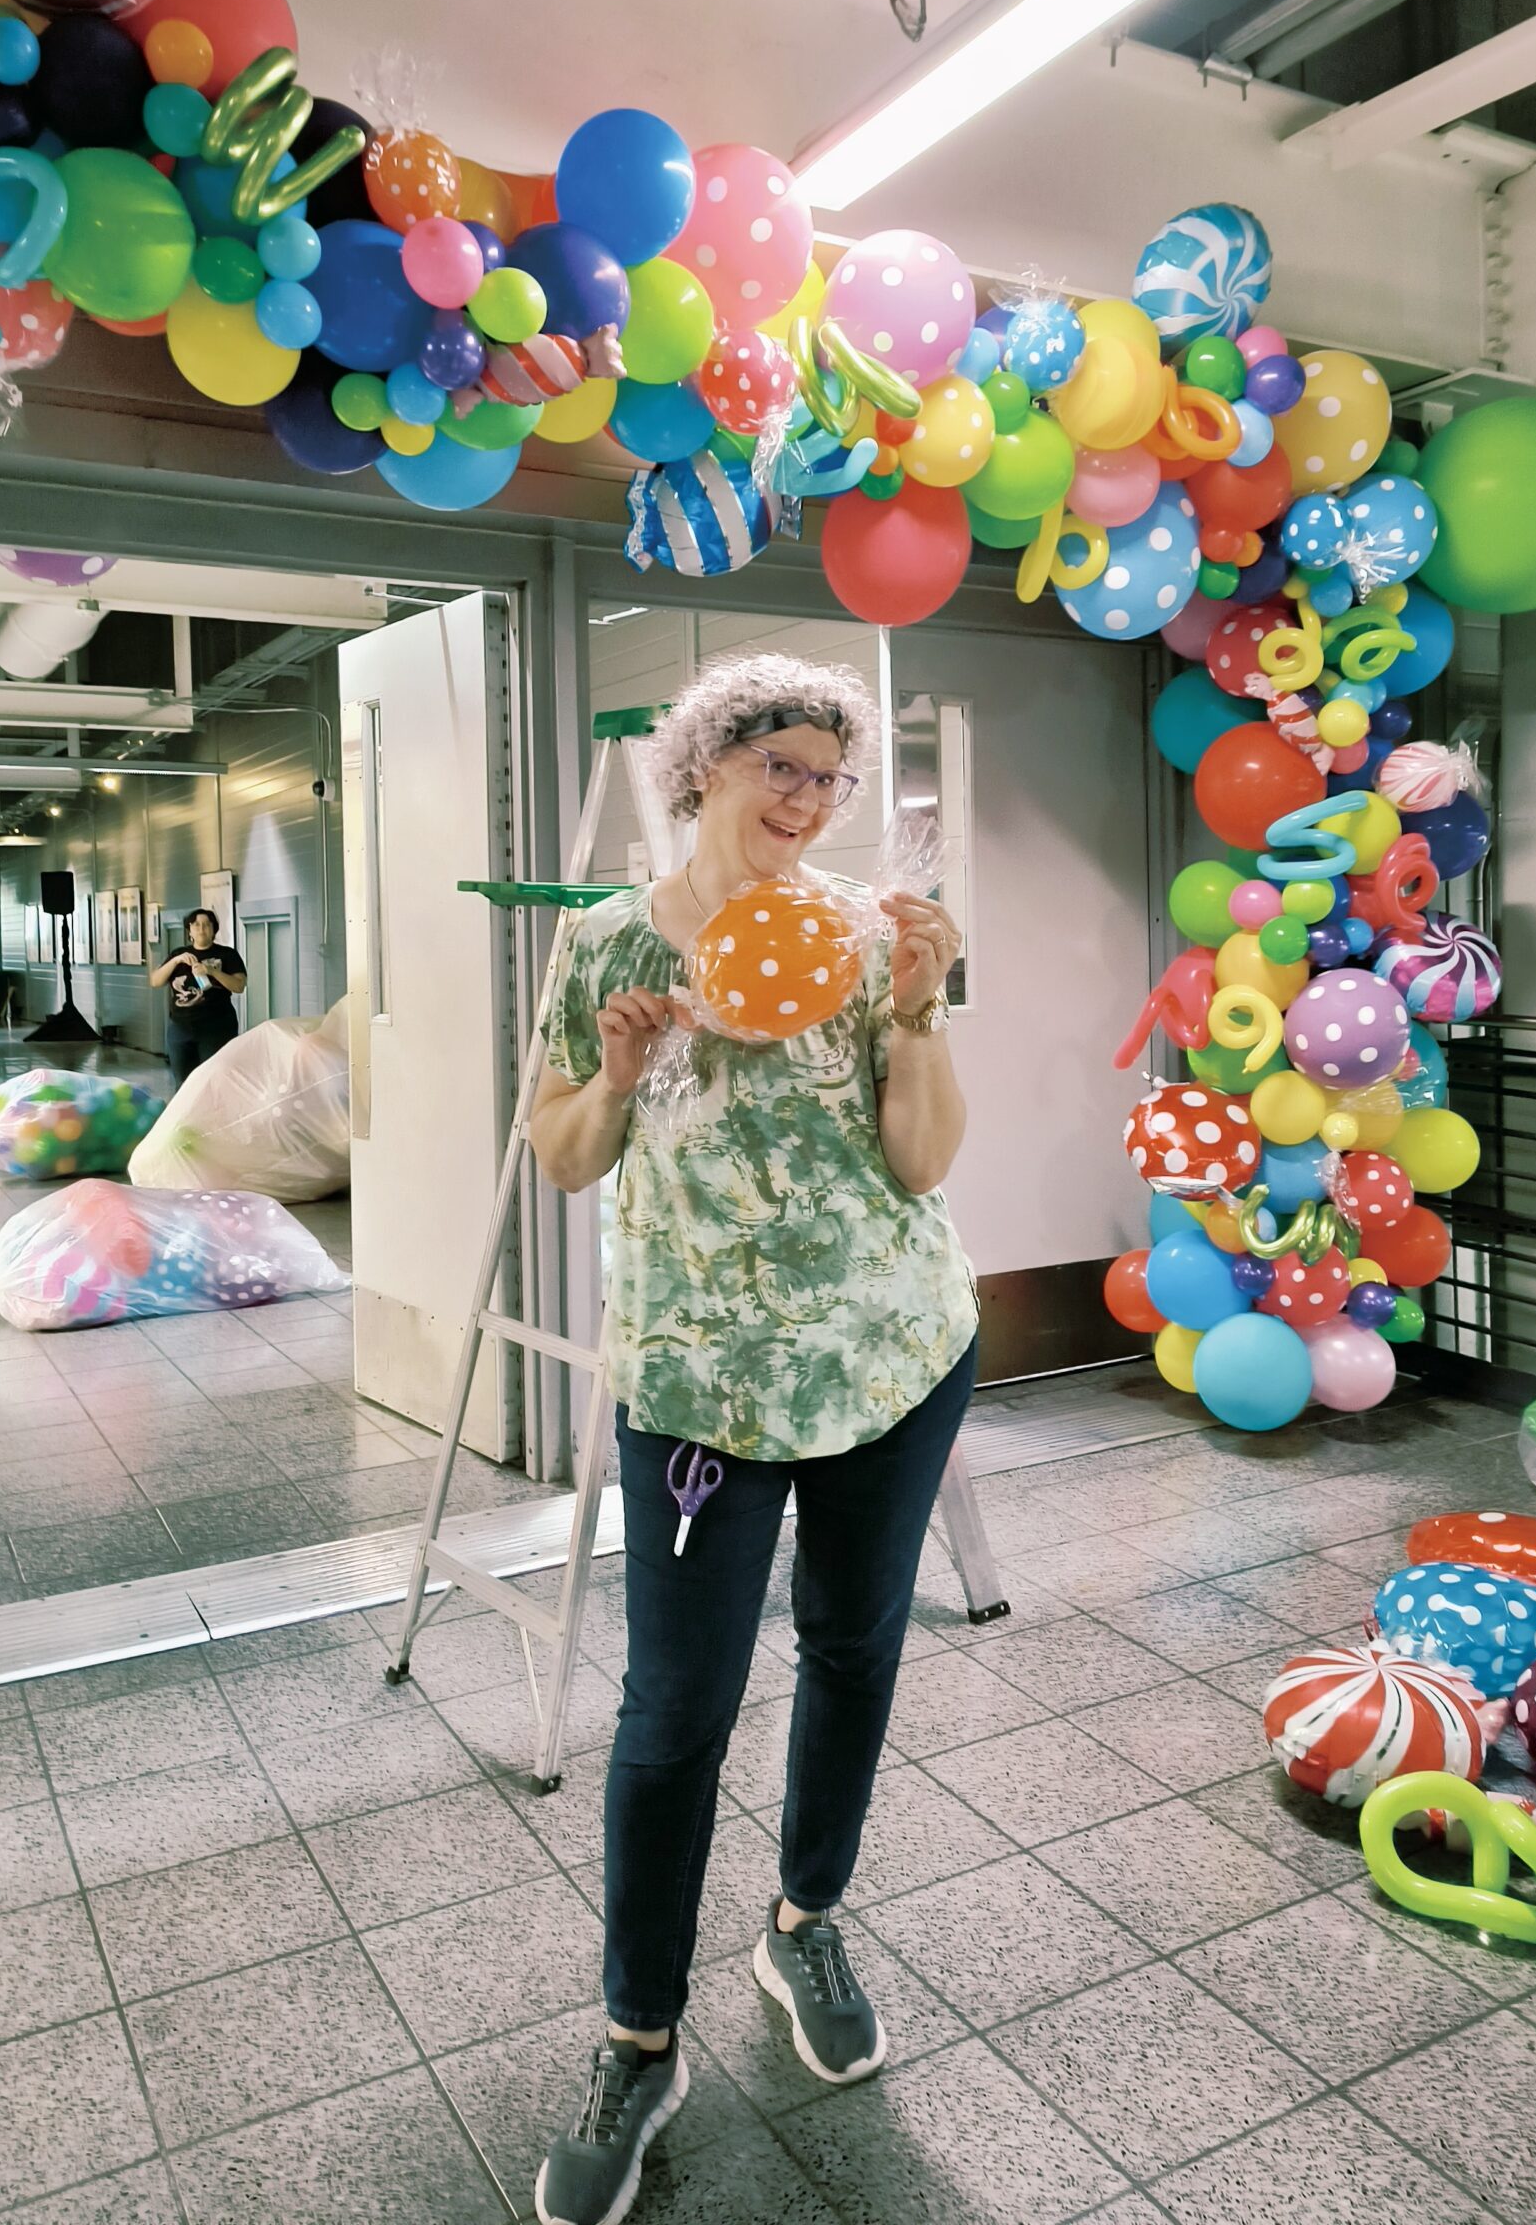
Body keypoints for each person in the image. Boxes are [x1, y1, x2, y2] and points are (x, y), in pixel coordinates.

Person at [529, 653, 977, 2225]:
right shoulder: (598, 946)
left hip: (891, 1360)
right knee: (676, 1710)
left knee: (855, 1649)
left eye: (831, 779)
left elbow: (921, 1166)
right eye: (779, 765)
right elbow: (564, 1154)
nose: (808, 802)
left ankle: (805, 1921)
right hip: (701, 1391)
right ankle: (636, 2041)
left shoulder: (870, 943)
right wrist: (620, 1070)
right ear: (704, 769)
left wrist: (919, 1011)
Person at [150, 908, 247, 1085]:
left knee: (213, 1076)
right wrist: (175, 961)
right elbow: (156, 981)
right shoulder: (178, 954)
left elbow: (239, 985)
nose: (201, 928)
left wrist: (211, 971)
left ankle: (215, 1112)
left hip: (216, 1027)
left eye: (207, 925)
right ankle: (186, 1112)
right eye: (196, 924)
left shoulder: (227, 954)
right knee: (183, 1079)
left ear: (214, 930)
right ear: (189, 930)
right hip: (181, 1025)